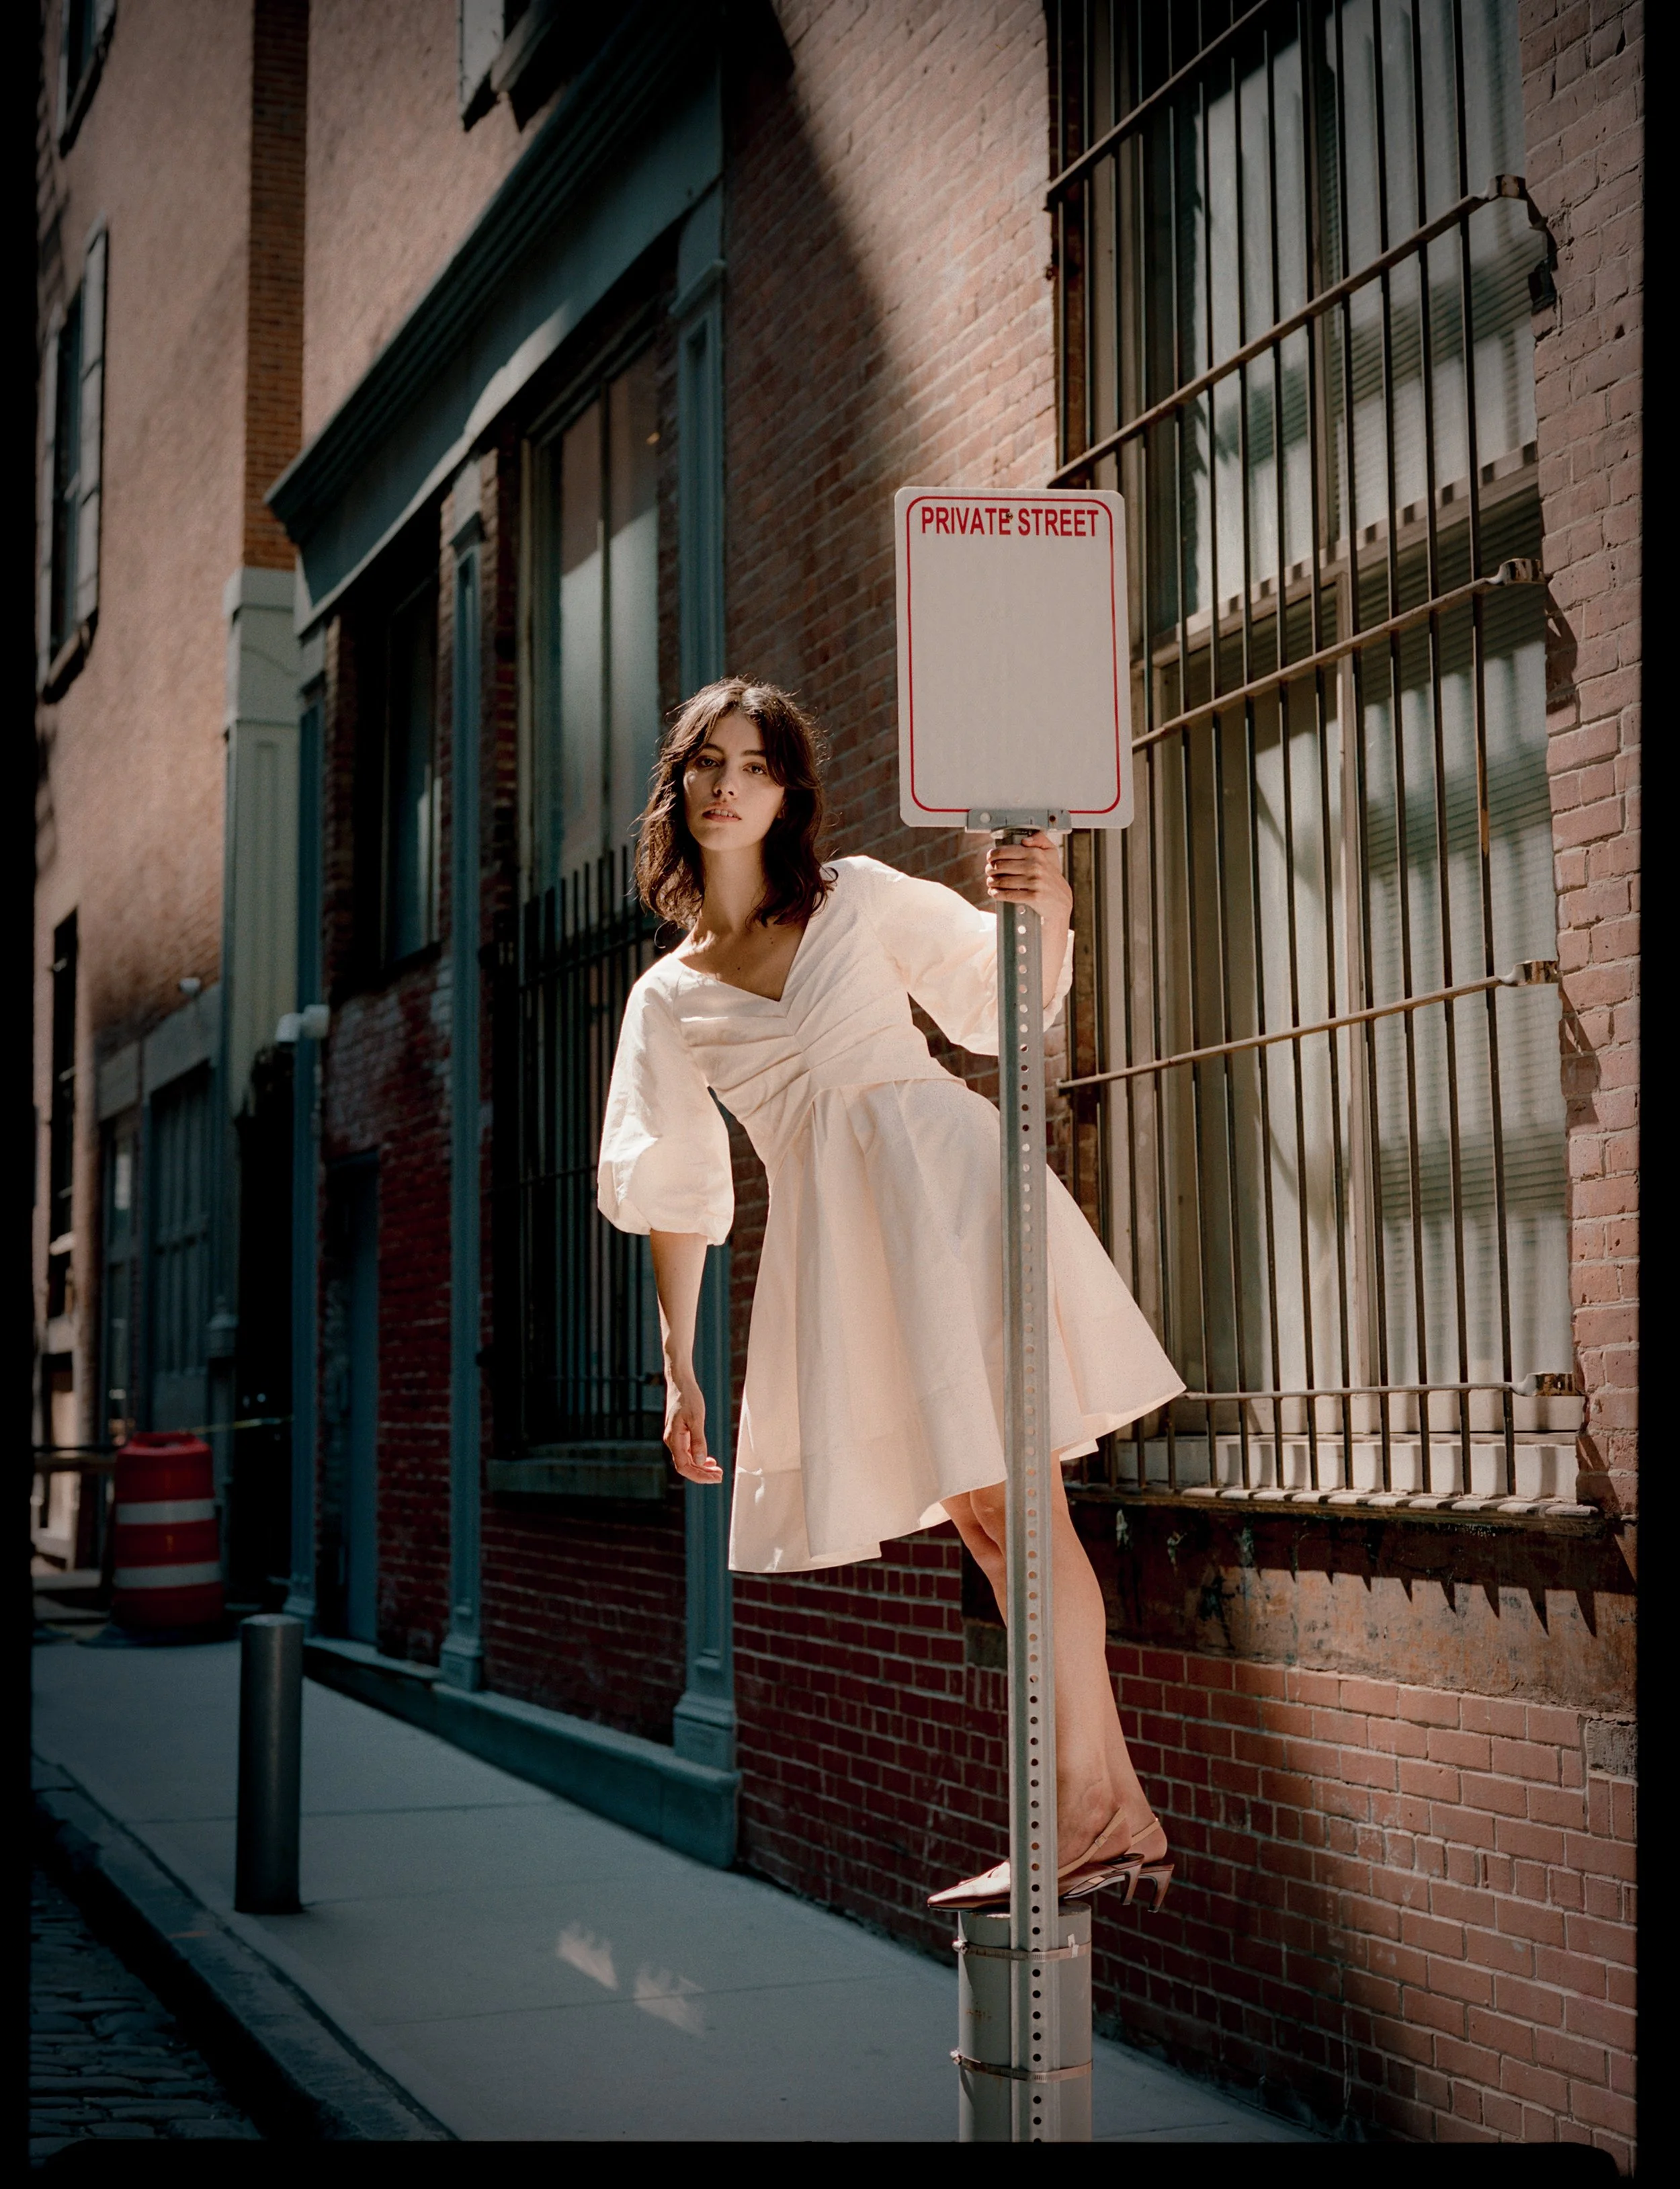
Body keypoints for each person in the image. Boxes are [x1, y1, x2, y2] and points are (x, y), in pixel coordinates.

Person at [597, 678, 1183, 1907]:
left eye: (754, 766)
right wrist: (679, 1362)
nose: (727, 785)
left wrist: (1052, 901)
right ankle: (1103, 1812)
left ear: (787, 793)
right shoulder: (668, 995)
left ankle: (1095, 1814)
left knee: (1015, 1511)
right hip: (843, 1243)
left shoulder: (858, 893)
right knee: (985, 1522)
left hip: (948, 1193)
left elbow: (994, 999)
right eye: (707, 763)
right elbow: (678, 1184)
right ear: (679, 786)